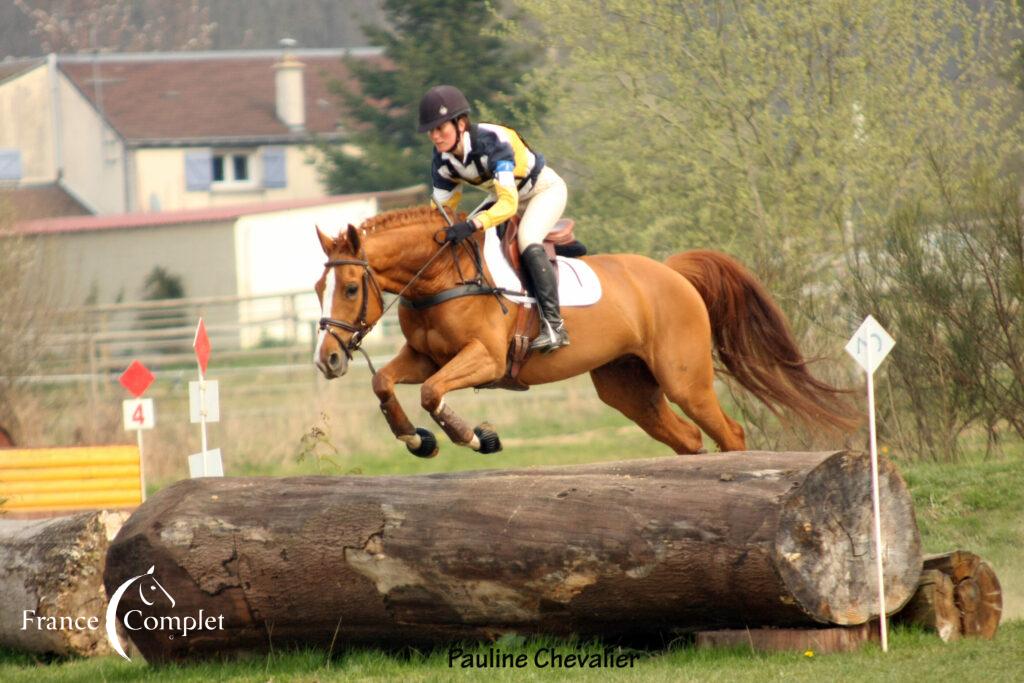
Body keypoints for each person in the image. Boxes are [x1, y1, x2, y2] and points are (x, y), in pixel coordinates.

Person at [418, 84, 569, 353]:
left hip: (541, 191)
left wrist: (472, 223)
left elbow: (509, 204)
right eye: (431, 131)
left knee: (527, 240)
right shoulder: (442, 160)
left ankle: (554, 325)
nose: (436, 136)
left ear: (461, 124)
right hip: (502, 196)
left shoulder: (492, 142)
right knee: (467, 242)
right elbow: (440, 210)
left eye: (441, 128)